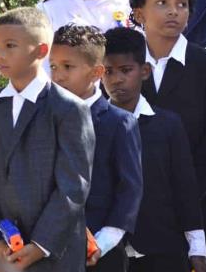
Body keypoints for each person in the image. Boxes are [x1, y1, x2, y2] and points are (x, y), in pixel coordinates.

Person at [0, 7, 95, 271]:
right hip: (3, 256)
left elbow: (73, 187)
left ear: (41, 51)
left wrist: (39, 245)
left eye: (10, 46)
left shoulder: (68, 108)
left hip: (54, 256)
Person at [129, 0, 206, 272]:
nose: (174, 10)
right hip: (130, 218)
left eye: (182, 4)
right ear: (139, 12)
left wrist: (176, 204)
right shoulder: (121, 65)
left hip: (194, 216)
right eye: (161, 2)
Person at [102, 27, 206, 272]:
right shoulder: (89, 124)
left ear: (145, 71)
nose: (116, 79)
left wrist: (197, 248)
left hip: (163, 249)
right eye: (108, 71)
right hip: (106, 254)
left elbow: (185, 188)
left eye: (126, 70)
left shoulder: (167, 125)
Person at [50, 24, 143, 272]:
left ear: (96, 72)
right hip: (49, 251)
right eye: (53, 67)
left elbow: (129, 190)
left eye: (68, 67)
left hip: (101, 255)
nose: (58, 76)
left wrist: (101, 243)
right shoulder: (43, 119)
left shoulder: (119, 122)